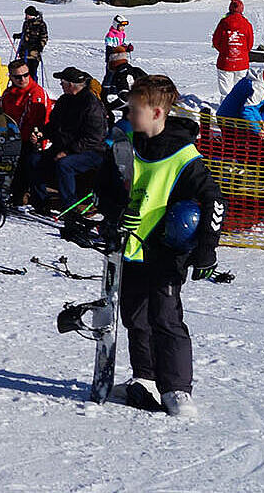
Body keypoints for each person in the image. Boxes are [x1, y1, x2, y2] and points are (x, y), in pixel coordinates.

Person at [97, 75, 224, 417]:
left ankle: (177, 389)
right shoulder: (126, 145)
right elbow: (106, 189)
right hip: (132, 248)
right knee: (135, 317)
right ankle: (144, 378)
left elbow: (213, 201)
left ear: (156, 112)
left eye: (135, 109)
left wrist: (206, 250)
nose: (129, 114)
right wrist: (114, 212)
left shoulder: (185, 156)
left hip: (166, 251)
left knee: (165, 318)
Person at [43, 67, 111, 238]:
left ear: (72, 85)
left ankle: (71, 207)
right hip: (67, 147)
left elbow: (94, 138)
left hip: (93, 152)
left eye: (63, 82)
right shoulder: (64, 101)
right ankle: (39, 201)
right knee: (35, 159)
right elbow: (54, 125)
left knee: (65, 165)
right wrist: (42, 134)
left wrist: (68, 151)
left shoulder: (91, 105)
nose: (61, 84)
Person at [1, 59, 53, 207]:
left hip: (34, 140)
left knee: (31, 164)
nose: (23, 79)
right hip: (14, 138)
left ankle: (40, 202)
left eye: (26, 75)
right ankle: (15, 195)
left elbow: (39, 122)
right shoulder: (8, 94)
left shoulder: (36, 93)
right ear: (11, 77)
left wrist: (36, 137)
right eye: (18, 77)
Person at [216, 60, 264, 133]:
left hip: (230, 117)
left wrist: (260, 121)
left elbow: (254, 108)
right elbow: (247, 111)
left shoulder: (261, 77)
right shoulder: (257, 87)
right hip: (228, 121)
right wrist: (258, 130)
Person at [213, 0, 255, 98]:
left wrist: (225, 51)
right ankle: (237, 111)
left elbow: (216, 41)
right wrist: (242, 52)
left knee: (225, 92)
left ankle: (224, 111)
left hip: (225, 62)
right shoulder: (247, 24)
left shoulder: (223, 23)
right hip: (242, 63)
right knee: (239, 91)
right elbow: (249, 44)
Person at [15, 6, 48, 78]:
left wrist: (40, 46)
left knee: (32, 73)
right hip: (24, 52)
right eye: (26, 14)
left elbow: (44, 37)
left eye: (28, 14)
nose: (26, 16)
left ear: (32, 15)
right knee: (23, 72)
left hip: (34, 54)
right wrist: (19, 36)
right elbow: (25, 34)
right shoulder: (26, 23)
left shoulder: (41, 24)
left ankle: (33, 86)